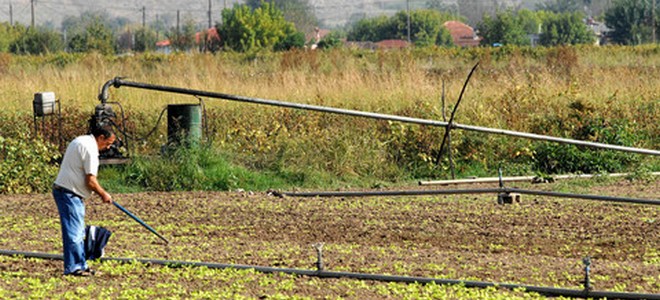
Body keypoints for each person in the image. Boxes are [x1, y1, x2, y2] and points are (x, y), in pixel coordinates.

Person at [52, 124, 115, 276]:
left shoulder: (81, 141)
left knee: (78, 231)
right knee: (74, 233)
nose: (107, 148)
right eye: (107, 143)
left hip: (67, 192)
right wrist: (103, 194)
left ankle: (81, 264)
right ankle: (74, 267)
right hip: (69, 193)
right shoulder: (90, 150)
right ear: (100, 137)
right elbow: (91, 181)